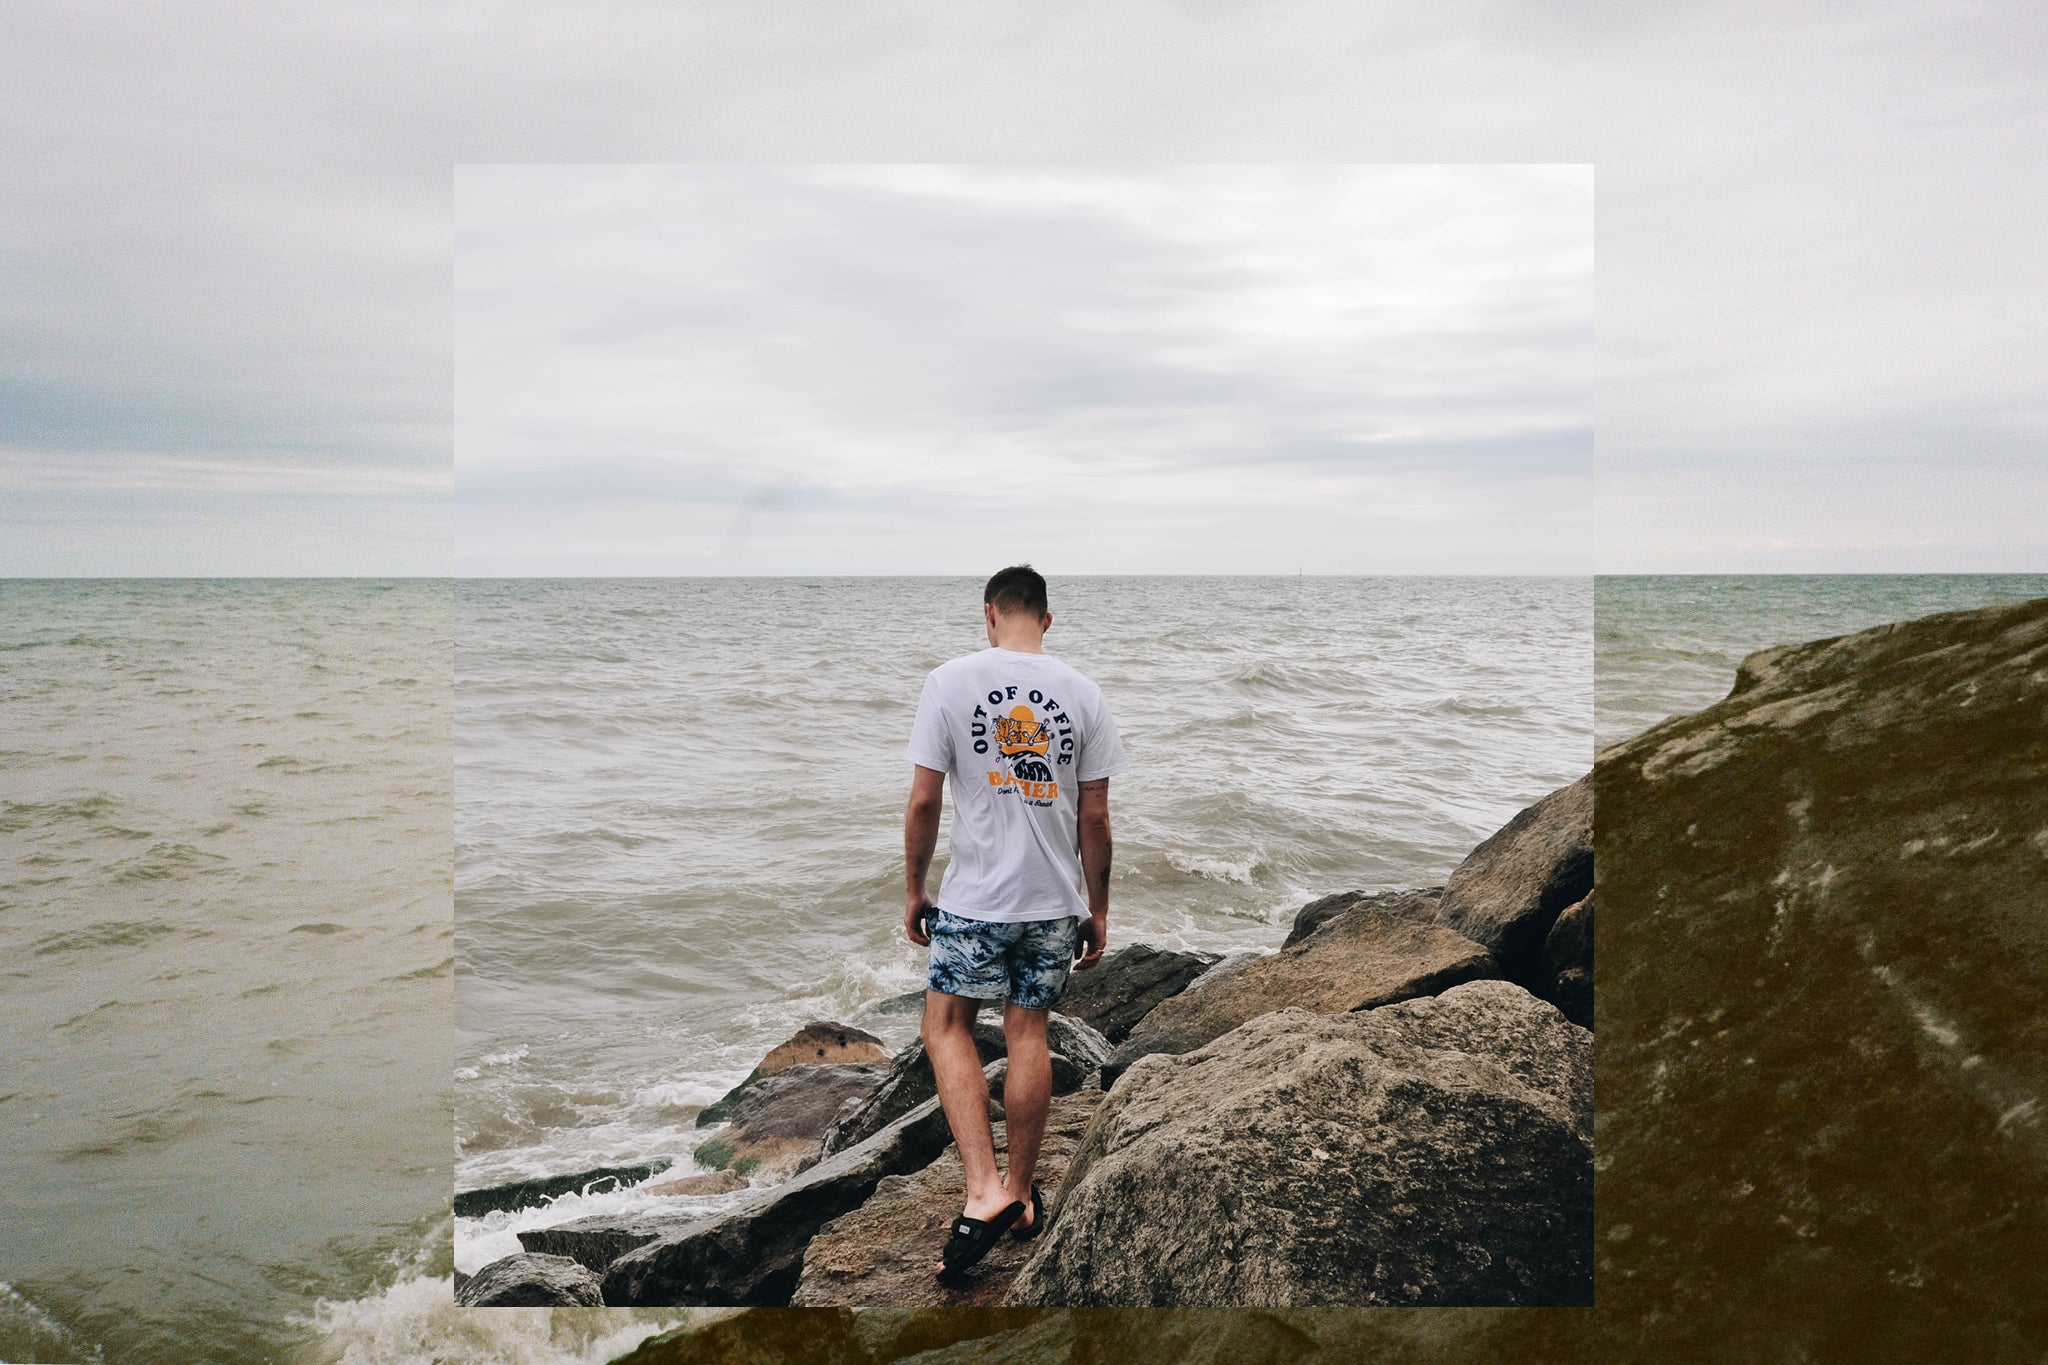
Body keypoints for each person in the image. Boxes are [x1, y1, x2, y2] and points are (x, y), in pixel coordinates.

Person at [901, 564, 1126, 1279]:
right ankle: (1023, 1196)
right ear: (1048, 619)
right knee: (1029, 1029)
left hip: (975, 897)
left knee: (946, 1026)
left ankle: (983, 1189)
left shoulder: (950, 681)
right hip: (1053, 899)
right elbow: (1095, 816)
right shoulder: (1083, 692)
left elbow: (924, 804)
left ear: (990, 613)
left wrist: (913, 887)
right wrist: (1098, 905)